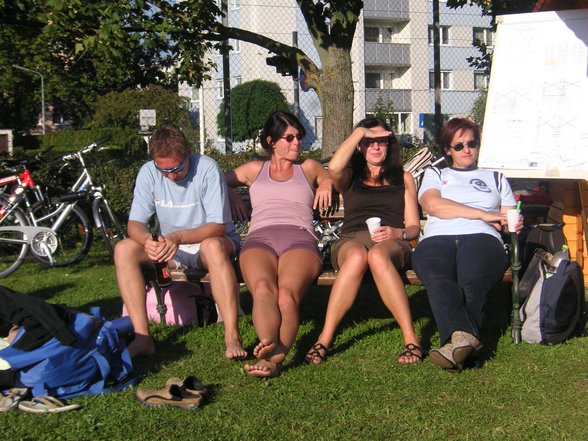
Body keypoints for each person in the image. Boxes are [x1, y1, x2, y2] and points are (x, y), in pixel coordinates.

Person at [114, 126, 246, 360]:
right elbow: (134, 223)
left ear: (187, 153)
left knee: (212, 246)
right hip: (171, 247)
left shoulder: (206, 168)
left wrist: (178, 237)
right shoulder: (148, 172)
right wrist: (147, 241)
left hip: (211, 242)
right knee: (124, 249)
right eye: (163, 170)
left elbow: (217, 227)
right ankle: (142, 337)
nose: (171, 176)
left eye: (176, 169)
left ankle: (232, 335)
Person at [304, 117, 423, 365]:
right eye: (370, 142)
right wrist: (360, 132)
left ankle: (411, 339)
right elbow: (333, 168)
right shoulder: (350, 176)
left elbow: (412, 228)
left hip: (391, 242)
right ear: (360, 146)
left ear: (390, 145)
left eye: (382, 141)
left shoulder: (404, 178)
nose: (376, 147)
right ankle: (324, 339)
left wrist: (396, 233)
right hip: (351, 240)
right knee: (358, 255)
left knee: (377, 255)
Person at [226, 111, 332, 378]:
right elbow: (216, 179)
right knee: (262, 288)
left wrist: (326, 184)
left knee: (286, 294)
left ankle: (275, 357)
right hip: (259, 238)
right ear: (272, 141)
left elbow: (331, 177)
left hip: (299, 238)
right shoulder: (254, 169)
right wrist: (232, 194)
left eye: (299, 137)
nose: (297, 143)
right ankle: (268, 339)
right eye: (290, 138)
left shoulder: (307, 168)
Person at [412, 117, 523, 371]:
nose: (467, 150)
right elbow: (432, 205)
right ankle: (466, 343)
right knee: (440, 280)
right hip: (437, 238)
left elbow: (506, 218)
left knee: (471, 283)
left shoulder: (495, 177)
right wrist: (485, 214)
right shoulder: (437, 173)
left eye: (472, 143)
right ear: (447, 150)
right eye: (458, 145)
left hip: (482, 238)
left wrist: (512, 222)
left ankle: (455, 344)